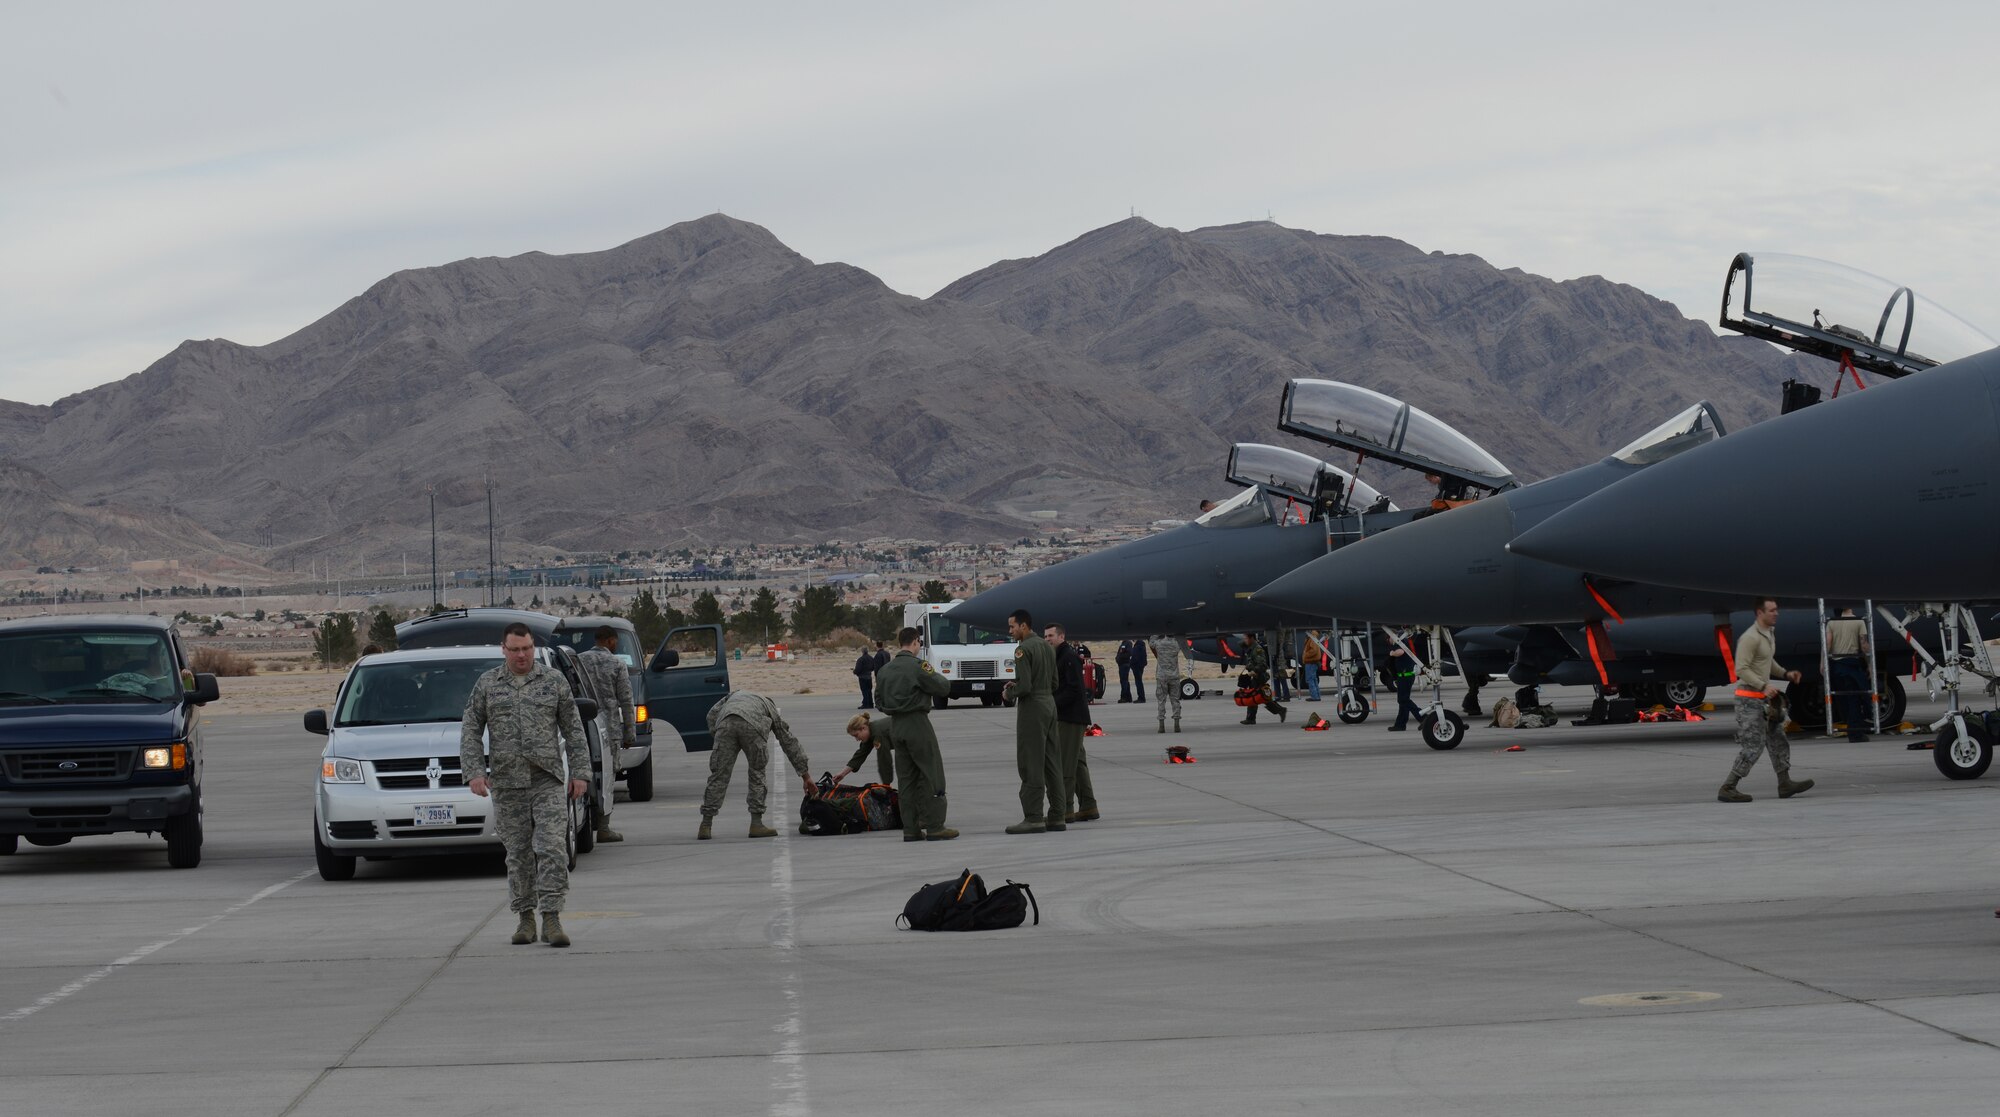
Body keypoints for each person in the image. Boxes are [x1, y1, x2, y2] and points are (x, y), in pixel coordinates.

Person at [461, 622, 592, 948]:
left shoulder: (553, 681)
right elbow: (471, 728)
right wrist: (475, 772)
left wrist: (581, 773)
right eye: (515, 649)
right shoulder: (489, 684)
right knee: (518, 854)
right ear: (503, 650)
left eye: (527, 648)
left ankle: (552, 917)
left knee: (550, 848)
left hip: (546, 780)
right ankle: (525, 918)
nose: (522, 655)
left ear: (533, 648)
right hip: (507, 784)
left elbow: (574, 729)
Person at [1719, 599, 1815, 803]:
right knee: (1753, 746)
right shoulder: (1750, 638)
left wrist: (1786, 674)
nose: (1776, 614)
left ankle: (1784, 783)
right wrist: (1763, 686)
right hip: (1748, 701)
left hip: (1765, 702)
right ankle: (1728, 787)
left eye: (1776, 610)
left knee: (1779, 740)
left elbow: (1767, 662)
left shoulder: (1768, 634)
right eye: (1771, 611)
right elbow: (1741, 669)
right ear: (1759, 613)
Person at [871, 627, 956, 840]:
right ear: (916, 642)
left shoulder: (885, 670)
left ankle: (910, 829)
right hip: (917, 723)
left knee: (906, 780)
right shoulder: (919, 666)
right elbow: (943, 687)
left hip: (896, 726)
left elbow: (878, 702)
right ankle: (935, 826)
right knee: (932, 774)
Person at [698, 690, 817, 839]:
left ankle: (705, 825)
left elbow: (711, 714)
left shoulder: (733, 695)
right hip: (752, 726)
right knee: (757, 773)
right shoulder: (769, 706)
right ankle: (756, 824)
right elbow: (788, 741)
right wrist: (806, 776)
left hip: (725, 724)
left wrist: (718, 737)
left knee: (718, 776)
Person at [1002, 608, 1063, 834]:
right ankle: (1058, 815)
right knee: (1052, 761)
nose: (1010, 631)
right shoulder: (1047, 648)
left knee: (1031, 762)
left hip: (1033, 709)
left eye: (1012, 626)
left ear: (1023, 626)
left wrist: (1009, 693)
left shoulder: (1023, 649)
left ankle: (1034, 816)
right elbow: (1054, 682)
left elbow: (1025, 686)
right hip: (1049, 704)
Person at [576, 625, 633, 843]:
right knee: (607, 776)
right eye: (615, 641)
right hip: (608, 728)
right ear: (610, 641)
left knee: (583, 774)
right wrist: (630, 732)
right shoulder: (617, 663)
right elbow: (626, 700)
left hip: (582, 726)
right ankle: (604, 826)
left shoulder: (578, 661)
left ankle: (585, 820)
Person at [1046, 623, 1100, 824]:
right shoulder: (1060, 656)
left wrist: (1051, 703)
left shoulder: (1068, 657)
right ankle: (1088, 806)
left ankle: (1065, 809)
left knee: (1064, 766)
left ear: (1062, 636)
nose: (1048, 639)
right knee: (1077, 764)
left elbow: (1075, 689)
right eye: (1046, 636)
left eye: (1051, 635)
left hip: (1070, 718)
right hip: (1071, 717)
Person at [1827, 606, 1872, 742]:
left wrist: (1822, 663)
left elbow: (1827, 644)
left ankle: (1851, 727)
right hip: (1852, 664)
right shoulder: (1858, 621)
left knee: (1843, 699)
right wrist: (1869, 663)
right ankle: (1855, 734)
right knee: (1855, 700)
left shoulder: (1831, 622)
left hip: (1837, 666)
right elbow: (1864, 646)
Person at [828, 711, 897, 789]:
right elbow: (860, 755)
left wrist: (886, 785)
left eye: (856, 735)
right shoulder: (871, 731)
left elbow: (884, 760)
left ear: (863, 728)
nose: (857, 739)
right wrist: (842, 773)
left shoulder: (877, 734)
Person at [1240, 632, 1288, 725]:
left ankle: (1251, 718)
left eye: (1246, 638)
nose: (1244, 640)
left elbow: (1262, 665)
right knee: (1261, 697)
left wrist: (1254, 671)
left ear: (1251, 638)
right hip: (1254, 677)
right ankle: (1279, 710)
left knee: (1256, 697)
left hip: (1258, 677)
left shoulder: (1257, 649)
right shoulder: (1251, 648)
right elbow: (1241, 644)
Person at [1148, 634, 1185, 733]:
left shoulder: (1159, 643)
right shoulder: (1176, 644)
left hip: (1162, 676)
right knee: (1175, 700)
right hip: (1174, 675)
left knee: (1161, 701)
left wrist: (1156, 633)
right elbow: (1183, 642)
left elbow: (1151, 642)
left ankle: (1161, 726)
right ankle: (1176, 724)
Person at [1385, 636, 1422, 731]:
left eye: (1388, 639)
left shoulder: (1400, 642)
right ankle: (1400, 725)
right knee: (1403, 701)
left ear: (1391, 637)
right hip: (1406, 676)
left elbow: (1401, 652)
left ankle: (1423, 718)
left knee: (1403, 700)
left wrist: (1392, 653)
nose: (1388, 641)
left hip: (1405, 676)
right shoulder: (1405, 641)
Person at [1300, 630, 1325, 702]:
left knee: (1310, 679)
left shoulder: (1312, 638)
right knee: (1314, 679)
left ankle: (1314, 696)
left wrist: (1306, 655)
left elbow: (1314, 650)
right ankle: (1317, 696)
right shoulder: (1313, 637)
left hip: (1310, 662)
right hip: (1313, 662)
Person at [853, 643, 877, 710]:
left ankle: (866, 704)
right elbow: (873, 667)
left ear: (862, 651)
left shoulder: (861, 659)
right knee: (869, 690)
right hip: (869, 676)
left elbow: (858, 669)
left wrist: (854, 672)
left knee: (864, 690)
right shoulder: (871, 658)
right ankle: (870, 703)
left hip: (862, 677)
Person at [1128, 636, 1147, 703]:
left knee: (1138, 682)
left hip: (1137, 666)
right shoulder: (1141, 646)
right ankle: (1141, 697)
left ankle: (1141, 697)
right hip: (1140, 666)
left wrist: (1131, 664)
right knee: (1139, 682)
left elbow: (1135, 657)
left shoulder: (1137, 646)